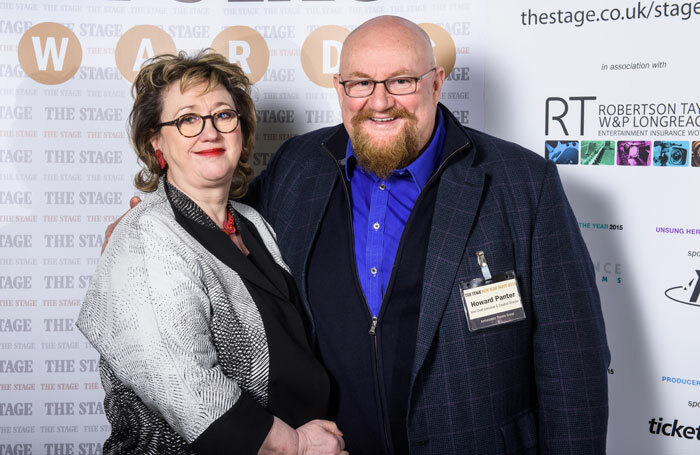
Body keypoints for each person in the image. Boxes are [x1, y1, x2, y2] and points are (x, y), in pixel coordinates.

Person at [108, 16, 610, 454]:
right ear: (339, 87)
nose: (380, 102)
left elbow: (573, 362)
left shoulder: (521, 182)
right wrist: (150, 221)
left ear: (437, 82)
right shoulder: (298, 167)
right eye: (361, 83)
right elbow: (211, 224)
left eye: (401, 81)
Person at [78, 51, 347, 455]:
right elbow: (184, 387)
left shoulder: (253, 223)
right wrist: (298, 444)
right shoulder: (145, 236)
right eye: (187, 119)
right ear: (156, 141)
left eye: (223, 115)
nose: (210, 132)